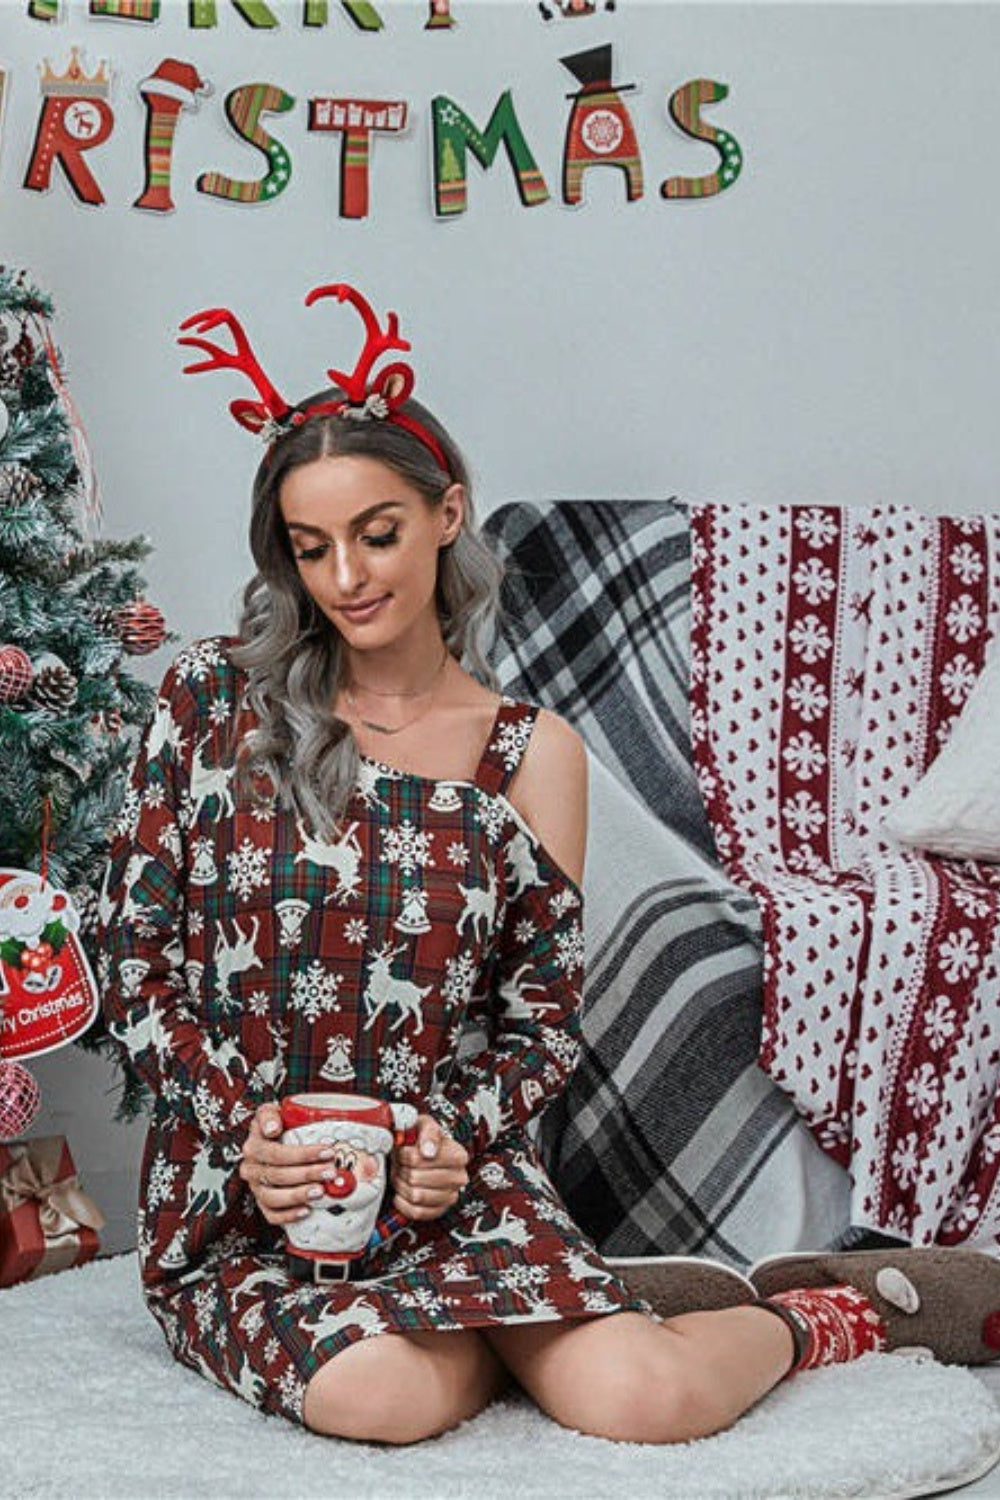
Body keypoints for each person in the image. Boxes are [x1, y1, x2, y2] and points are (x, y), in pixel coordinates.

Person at [98, 282, 1000, 1447]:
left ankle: (827, 1308)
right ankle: (542, 1319)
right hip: (247, 1195)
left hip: (448, 1179)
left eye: (377, 533)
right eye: (310, 549)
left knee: (647, 1402)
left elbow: (537, 1022)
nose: (347, 577)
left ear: (446, 514)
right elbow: (134, 959)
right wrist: (245, 1134)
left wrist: (447, 1146)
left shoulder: (532, 752)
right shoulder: (211, 697)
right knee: (382, 1398)